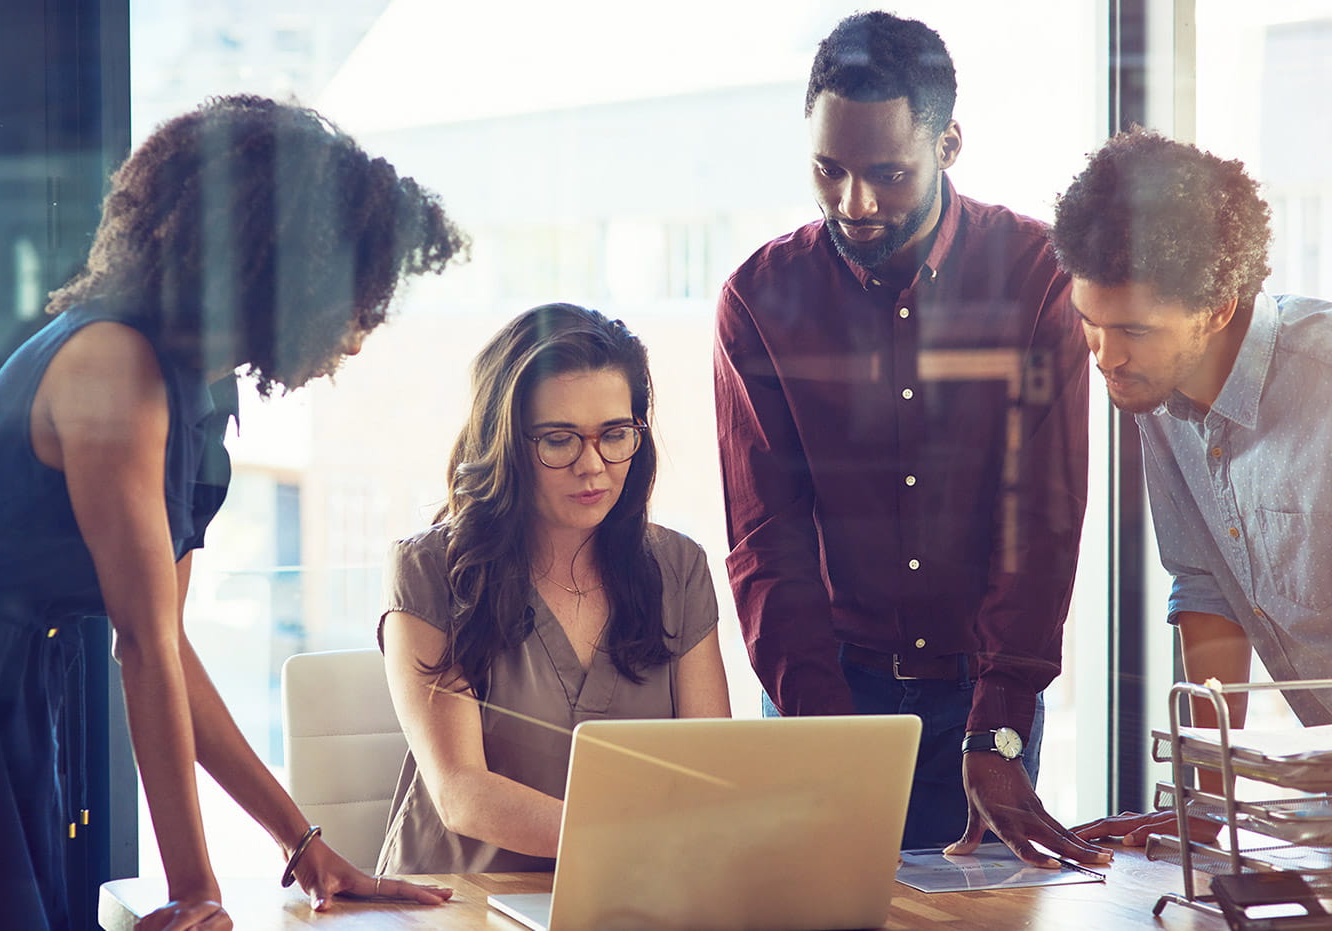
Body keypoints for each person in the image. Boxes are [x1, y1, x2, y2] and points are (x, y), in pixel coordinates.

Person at [0, 95, 468, 931]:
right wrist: (196, 892)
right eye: (356, 290)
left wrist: (304, 844)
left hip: (8, 695)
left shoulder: (198, 390)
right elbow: (141, 646)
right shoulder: (115, 365)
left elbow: (167, 641)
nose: (365, 326)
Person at [713, 11, 1109, 866]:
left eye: (888, 173)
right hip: (825, 687)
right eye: (829, 169)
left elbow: (1038, 518)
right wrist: (827, 740)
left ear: (949, 144)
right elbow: (764, 543)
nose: (855, 201)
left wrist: (1000, 722)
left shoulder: (1037, 278)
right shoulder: (758, 299)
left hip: (981, 697)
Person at [377, 302, 731, 874]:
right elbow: (460, 792)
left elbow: (708, 771)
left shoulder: (678, 566)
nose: (593, 466)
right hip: (462, 902)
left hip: (626, 899)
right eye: (559, 440)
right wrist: (644, 840)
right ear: (506, 442)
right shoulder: (431, 569)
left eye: (615, 434)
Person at [1051, 129, 1332, 846]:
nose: (1106, 357)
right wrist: (1208, 812)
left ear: (1214, 307)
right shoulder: (1157, 392)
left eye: (1134, 329)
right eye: (1090, 322)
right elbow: (1208, 589)